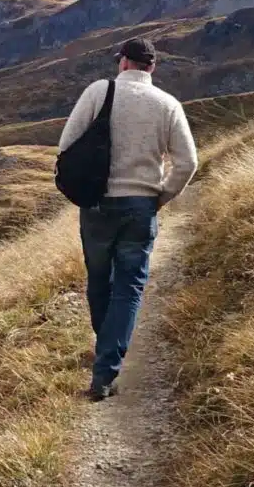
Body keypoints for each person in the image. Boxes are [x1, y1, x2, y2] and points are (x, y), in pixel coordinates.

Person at [58, 36, 198, 401]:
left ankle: (105, 355)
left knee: (99, 279)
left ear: (122, 62)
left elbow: (66, 146)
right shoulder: (168, 104)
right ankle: (105, 370)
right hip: (140, 206)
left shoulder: (98, 92)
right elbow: (188, 162)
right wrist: (160, 197)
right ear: (152, 67)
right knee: (129, 286)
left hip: (97, 204)